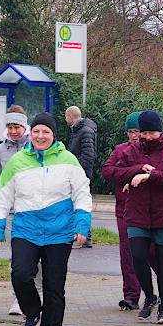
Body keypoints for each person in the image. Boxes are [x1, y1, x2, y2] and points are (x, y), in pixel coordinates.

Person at [0, 113, 92, 326]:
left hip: (59, 232)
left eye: (46, 132)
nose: (40, 136)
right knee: (21, 275)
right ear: (30, 133)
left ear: (54, 135)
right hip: (26, 228)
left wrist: (82, 225)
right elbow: (3, 196)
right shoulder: (17, 161)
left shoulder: (68, 160)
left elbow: (82, 193)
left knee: (54, 286)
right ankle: (32, 313)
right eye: (36, 131)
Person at [112, 110, 163, 325]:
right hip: (137, 213)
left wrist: (149, 176)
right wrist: (133, 172)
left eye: (152, 133)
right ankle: (149, 297)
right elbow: (109, 171)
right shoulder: (130, 151)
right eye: (145, 133)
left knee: (162, 262)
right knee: (137, 256)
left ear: (160, 131)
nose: (148, 137)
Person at [101, 112, 156, 311]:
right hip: (124, 209)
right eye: (131, 132)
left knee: (152, 253)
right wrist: (133, 172)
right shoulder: (121, 150)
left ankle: (159, 292)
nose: (134, 136)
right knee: (128, 254)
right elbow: (108, 171)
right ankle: (131, 296)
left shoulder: (156, 150)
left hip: (150, 211)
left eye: (138, 131)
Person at [0, 105, 32, 315]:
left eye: (17, 127)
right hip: (12, 212)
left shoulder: (34, 146)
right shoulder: (2, 150)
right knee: (18, 259)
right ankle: (18, 299)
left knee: (36, 259)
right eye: (10, 127)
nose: (13, 131)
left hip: (33, 211)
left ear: (24, 126)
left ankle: (37, 295)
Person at [65, 105, 97, 247]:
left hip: (81, 174)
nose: (66, 120)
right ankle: (81, 235)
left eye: (66, 117)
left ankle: (86, 236)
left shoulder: (84, 131)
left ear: (71, 117)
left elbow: (88, 155)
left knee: (80, 204)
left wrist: (75, 169)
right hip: (79, 172)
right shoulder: (79, 130)